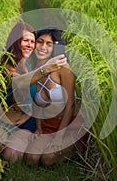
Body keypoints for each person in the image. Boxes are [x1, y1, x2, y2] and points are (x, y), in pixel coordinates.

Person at [0, 22, 67, 162]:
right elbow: (19, 82)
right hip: (2, 122)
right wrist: (45, 69)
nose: (30, 45)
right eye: (25, 40)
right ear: (15, 41)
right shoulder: (5, 65)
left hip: (26, 124)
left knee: (11, 155)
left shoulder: (29, 64)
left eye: (32, 41)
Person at [24, 27, 88, 167]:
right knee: (31, 158)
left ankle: (76, 147)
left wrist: (59, 137)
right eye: (40, 42)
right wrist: (39, 128)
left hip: (70, 125)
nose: (43, 47)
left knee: (48, 159)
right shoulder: (33, 69)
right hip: (48, 125)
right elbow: (37, 103)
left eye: (49, 44)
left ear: (55, 47)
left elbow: (70, 104)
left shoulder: (63, 68)